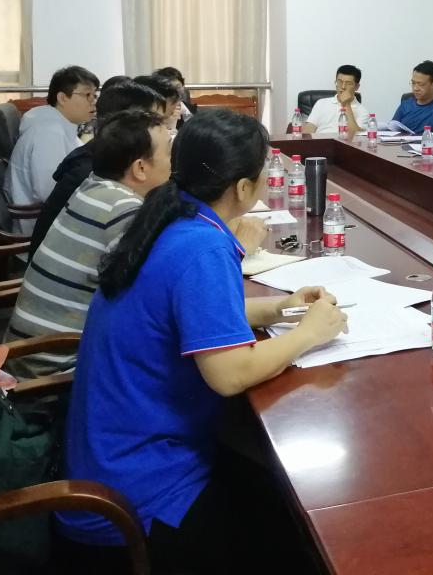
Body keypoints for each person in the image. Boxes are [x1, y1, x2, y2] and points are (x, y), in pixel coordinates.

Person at [57, 110, 348, 568]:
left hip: (111, 457)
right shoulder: (203, 244)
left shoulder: (172, 217)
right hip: (139, 496)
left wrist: (278, 308)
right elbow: (229, 374)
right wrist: (308, 334)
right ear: (244, 189)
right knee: (293, 537)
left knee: (267, 485)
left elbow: (183, 312)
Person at [6, 109, 172, 379]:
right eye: (169, 153)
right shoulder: (123, 208)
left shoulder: (94, 186)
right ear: (140, 168)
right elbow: (157, 299)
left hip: (33, 356)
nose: (174, 162)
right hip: (56, 373)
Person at [28, 79, 167, 260]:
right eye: (153, 119)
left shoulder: (99, 164)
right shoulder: (92, 175)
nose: (162, 126)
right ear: (126, 122)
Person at [6, 65, 100, 207]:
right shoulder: (48, 134)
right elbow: (50, 192)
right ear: (62, 98)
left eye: (94, 95)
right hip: (40, 216)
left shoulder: (59, 124)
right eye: (87, 95)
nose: (94, 101)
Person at [392, 59, 433, 132]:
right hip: (401, 139)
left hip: (427, 140)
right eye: (413, 83)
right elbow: (392, 128)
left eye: (420, 84)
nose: (415, 88)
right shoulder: (406, 104)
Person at [303, 64, 368, 136]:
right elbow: (307, 132)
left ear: (357, 87)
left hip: (344, 143)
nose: (343, 87)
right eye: (340, 82)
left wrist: (346, 104)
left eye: (348, 83)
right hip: (320, 142)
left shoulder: (362, 111)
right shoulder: (321, 103)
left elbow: (355, 137)